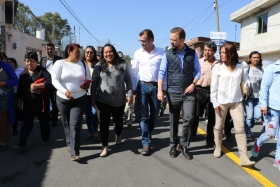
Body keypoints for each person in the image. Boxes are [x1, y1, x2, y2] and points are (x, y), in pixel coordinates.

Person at [158, 27, 200, 159]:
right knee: (173, 120)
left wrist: (193, 84)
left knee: (188, 117)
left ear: (182, 40)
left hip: (189, 91)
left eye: (174, 40)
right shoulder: (168, 54)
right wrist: (160, 90)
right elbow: (161, 73)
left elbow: (198, 72)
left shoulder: (192, 53)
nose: (171, 42)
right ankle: (172, 145)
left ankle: (184, 145)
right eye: (170, 39)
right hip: (173, 92)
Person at [210, 43, 255, 166]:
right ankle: (218, 146)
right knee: (219, 126)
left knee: (240, 129)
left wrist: (247, 86)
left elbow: (246, 81)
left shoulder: (242, 66)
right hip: (221, 103)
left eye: (224, 52)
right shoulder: (217, 67)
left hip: (237, 101)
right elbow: (213, 87)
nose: (221, 55)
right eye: (221, 52)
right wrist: (214, 102)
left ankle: (244, 156)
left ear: (232, 53)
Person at [91, 44, 133, 157]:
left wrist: (130, 95)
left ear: (114, 52)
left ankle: (118, 134)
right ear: (103, 54)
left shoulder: (123, 64)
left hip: (119, 100)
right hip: (102, 100)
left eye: (110, 51)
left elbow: (129, 80)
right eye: (106, 52)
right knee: (104, 123)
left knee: (118, 121)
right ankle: (105, 146)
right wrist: (93, 97)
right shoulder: (99, 66)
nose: (108, 54)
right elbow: (94, 82)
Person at [52, 44, 90, 161]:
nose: (79, 53)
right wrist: (65, 91)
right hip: (62, 99)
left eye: (80, 51)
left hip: (80, 99)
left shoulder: (83, 64)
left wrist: (86, 85)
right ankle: (69, 142)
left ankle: (75, 152)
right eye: (77, 51)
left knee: (75, 124)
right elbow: (55, 80)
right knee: (66, 123)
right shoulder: (59, 63)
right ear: (69, 51)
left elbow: (88, 79)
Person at [131, 29, 164, 156]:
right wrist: (134, 88)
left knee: (154, 115)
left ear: (151, 40)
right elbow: (134, 72)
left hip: (156, 87)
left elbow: (164, 71)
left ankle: (147, 133)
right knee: (143, 116)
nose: (141, 43)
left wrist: (163, 88)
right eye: (140, 41)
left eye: (143, 41)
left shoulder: (161, 52)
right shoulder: (138, 53)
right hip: (142, 86)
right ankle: (146, 142)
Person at [13, 52, 51, 152]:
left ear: (36, 62)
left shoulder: (42, 71)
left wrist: (38, 86)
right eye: (27, 61)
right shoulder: (23, 74)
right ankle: (21, 145)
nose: (29, 63)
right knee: (27, 124)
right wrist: (19, 100)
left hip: (41, 103)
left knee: (43, 122)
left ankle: (46, 138)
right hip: (28, 104)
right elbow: (20, 88)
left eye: (31, 61)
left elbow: (50, 83)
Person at [251, 58, 280, 169]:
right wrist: (263, 104)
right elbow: (264, 87)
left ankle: (278, 159)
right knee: (270, 134)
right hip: (272, 107)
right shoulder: (272, 68)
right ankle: (258, 143)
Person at [190, 41, 217, 147]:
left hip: (213, 92)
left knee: (212, 117)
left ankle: (210, 139)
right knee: (195, 114)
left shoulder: (219, 64)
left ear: (214, 51)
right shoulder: (199, 62)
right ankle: (193, 132)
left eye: (210, 50)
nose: (207, 52)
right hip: (199, 90)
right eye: (205, 50)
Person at [40, 42, 63, 127]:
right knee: (45, 102)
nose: (49, 50)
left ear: (54, 50)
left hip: (55, 84)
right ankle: (47, 118)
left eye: (51, 49)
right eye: (48, 49)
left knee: (54, 102)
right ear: (45, 50)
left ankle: (54, 120)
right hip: (45, 84)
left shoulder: (59, 59)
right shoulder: (43, 60)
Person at [0, 53, 18, 151]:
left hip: (3, 98)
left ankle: (4, 142)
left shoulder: (6, 66)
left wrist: (3, 83)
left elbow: (15, 80)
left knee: (3, 121)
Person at [244, 51, 264, 140]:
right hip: (249, 96)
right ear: (250, 58)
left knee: (257, 116)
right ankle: (247, 132)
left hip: (259, 97)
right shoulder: (246, 68)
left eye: (258, 57)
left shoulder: (261, 69)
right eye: (254, 57)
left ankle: (246, 125)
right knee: (249, 116)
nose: (256, 59)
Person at [82, 46, 100, 141]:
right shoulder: (81, 64)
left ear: (94, 54)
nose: (89, 54)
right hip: (83, 94)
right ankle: (90, 132)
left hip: (95, 94)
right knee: (88, 114)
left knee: (94, 113)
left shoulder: (97, 65)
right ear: (84, 53)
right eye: (87, 52)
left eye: (91, 52)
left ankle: (95, 131)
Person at [7, 58, 24, 136]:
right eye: (8, 62)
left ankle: (20, 123)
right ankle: (15, 127)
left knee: (17, 108)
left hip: (18, 92)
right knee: (12, 110)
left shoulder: (20, 70)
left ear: (14, 63)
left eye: (10, 62)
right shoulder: (6, 71)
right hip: (10, 92)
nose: (9, 64)